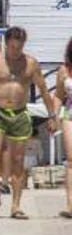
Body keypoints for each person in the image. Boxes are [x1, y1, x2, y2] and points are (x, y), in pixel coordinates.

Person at [0, 26, 59, 219]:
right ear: (6, 44)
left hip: (19, 114)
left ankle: (16, 206)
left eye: (19, 47)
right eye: (13, 47)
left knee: (18, 161)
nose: (16, 52)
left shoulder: (30, 64)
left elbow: (43, 90)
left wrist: (52, 116)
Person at [55, 37, 72, 219]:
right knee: (71, 160)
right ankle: (71, 203)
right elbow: (59, 95)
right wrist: (54, 116)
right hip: (70, 114)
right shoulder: (64, 70)